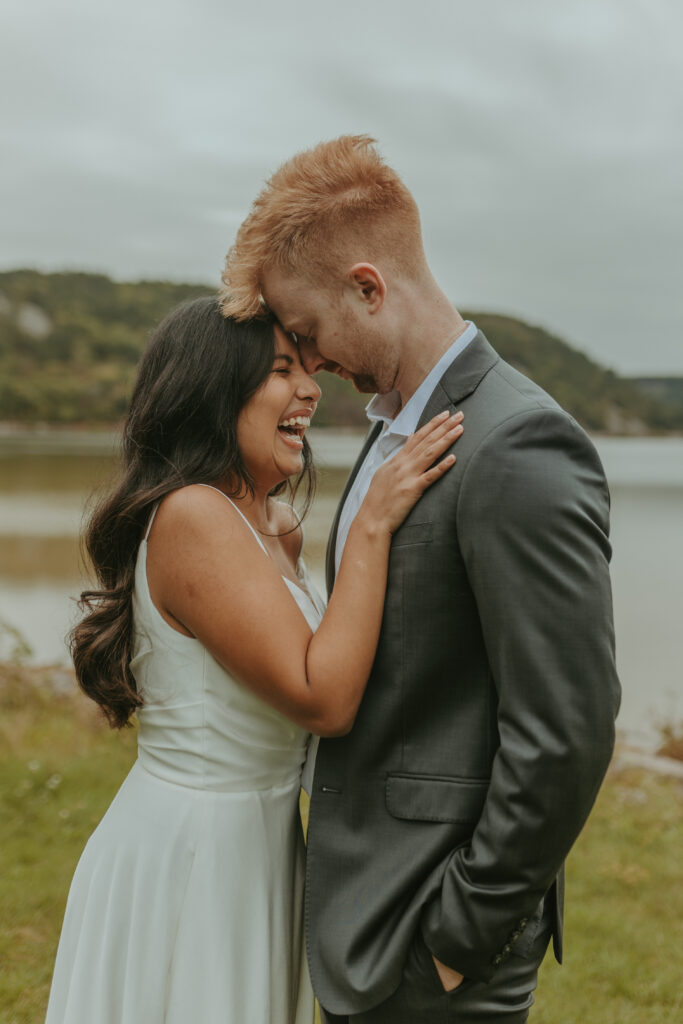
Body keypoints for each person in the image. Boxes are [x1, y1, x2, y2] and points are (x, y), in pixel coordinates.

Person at [220, 135, 621, 1024]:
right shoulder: (395, 424)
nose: (310, 361)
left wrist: (457, 939)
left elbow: (565, 731)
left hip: (432, 945)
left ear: (369, 286)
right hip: (367, 920)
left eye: (309, 331)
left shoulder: (517, 444)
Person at [45, 297, 464, 1024]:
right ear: (212, 392)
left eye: (308, 369)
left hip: (263, 844)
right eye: (280, 371)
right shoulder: (193, 515)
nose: (309, 389)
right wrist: (369, 528)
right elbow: (321, 696)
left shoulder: (271, 529)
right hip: (194, 853)